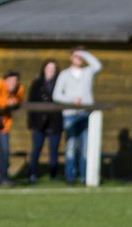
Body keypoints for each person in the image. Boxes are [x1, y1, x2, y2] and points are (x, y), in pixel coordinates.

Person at [53, 46, 102, 184]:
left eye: (81, 56)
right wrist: (71, 100)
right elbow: (56, 95)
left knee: (85, 147)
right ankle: (70, 177)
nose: (79, 58)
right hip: (70, 114)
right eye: (76, 56)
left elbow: (98, 65)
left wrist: (85, 54)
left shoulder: (88, 72)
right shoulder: (64, 74)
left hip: (86, 113)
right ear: (70, 57)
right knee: (70, 147)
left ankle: (84, 177)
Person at [27, 59, 63, 182]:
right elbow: (30, 104)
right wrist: (31, 123)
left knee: (53, 150)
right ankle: (32, 174)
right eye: (48, 68)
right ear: (44, 69)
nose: (50, 71)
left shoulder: (60, 84)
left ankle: (53, 174)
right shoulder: (37, 84)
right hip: (38, 123)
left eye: (53, 69)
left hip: (55, 122)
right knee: (36, 149)